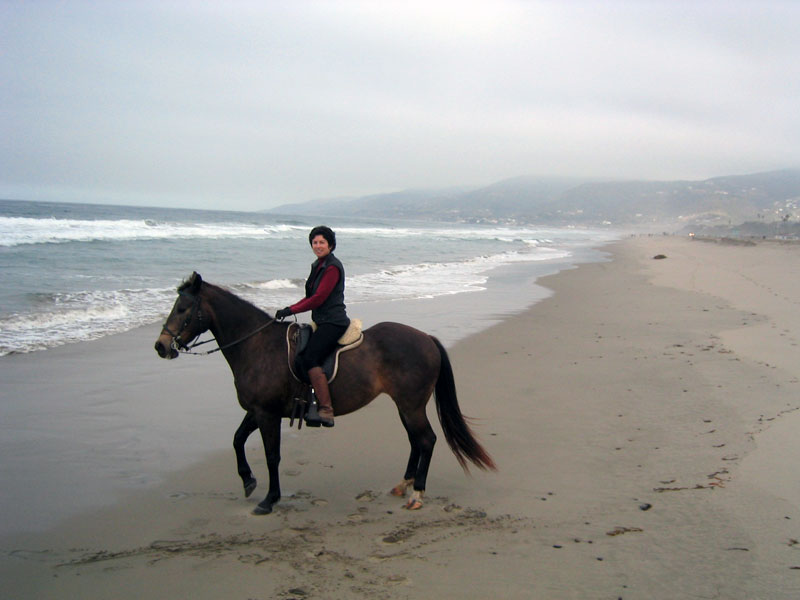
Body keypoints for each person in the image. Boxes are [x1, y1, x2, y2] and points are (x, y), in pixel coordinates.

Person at [275, 226, 349, 427]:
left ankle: (325, 408)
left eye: (322, 242)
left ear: (330, 245)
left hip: (333, 322)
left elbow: (318, 298)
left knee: (309, 358)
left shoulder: (332, 267)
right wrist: (290, 308)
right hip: (321, 320)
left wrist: (291, 310)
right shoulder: (319, 265)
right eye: (315, 242)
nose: (318, 246)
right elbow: (310, 297)